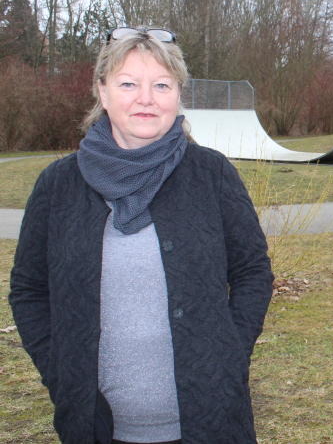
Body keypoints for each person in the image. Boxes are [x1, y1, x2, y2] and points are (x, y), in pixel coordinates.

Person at [9, 27, 274, 444]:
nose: (146, 98)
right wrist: (59, 370)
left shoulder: (212, 174)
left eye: (161, 85)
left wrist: (228, 355)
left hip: (210, 419)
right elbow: (28, 289)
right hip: (92, 425)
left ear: (178, 94)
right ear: (102, 91)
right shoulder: (58, 185)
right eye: (128, 83)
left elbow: (252, 272)